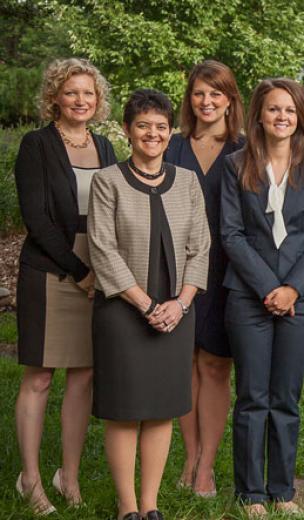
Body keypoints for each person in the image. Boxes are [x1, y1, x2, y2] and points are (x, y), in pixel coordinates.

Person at [88, 89, 211, 520]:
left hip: (177, 312)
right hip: (123, 311)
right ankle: (126, 508)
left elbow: (201, 248)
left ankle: (150, 504)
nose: (152, 134)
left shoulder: (189, 182)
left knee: (161, 408)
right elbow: (102, 250)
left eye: (161, 126)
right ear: (127, 130)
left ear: (170, 132)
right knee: (124, 410)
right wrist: (145, 304)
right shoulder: (108, 182)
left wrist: (180, 303)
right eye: (143, 126)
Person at [220, 78, 304, 517]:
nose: (281, 117)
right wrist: (269, 288)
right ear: (259, 116)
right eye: (272, 109)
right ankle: (250, 493)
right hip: (248, 296)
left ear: (300, 116)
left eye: (289, 109)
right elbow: (231, 234)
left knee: (285, 395)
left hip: (302, 297)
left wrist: (291, 289)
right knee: (252, 396)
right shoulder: (235, 166)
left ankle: (282, 490)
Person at [13, 57, 117, 515]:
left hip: (98, 268)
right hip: (51, 271)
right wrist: (81, 272)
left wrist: (108, 272)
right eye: (71, 92)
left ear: (98, 101)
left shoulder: (107, 147)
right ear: (55, 96)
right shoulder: (36, 145)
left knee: (84, 376)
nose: (80, 100)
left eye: (88, 93)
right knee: (39, 377)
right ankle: (30, 479)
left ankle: (68, 476)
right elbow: (36, 220)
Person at [164, 59, 245, 498]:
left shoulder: (246, 148)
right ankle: (190, 456)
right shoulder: (171, 147)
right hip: (177, 274)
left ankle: (208, 467)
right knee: (184, 366)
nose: (207, 101)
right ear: (189, 99)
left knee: (214, 367)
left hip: (230, 273)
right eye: (199, 93)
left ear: (231, 98)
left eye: (216, 93)